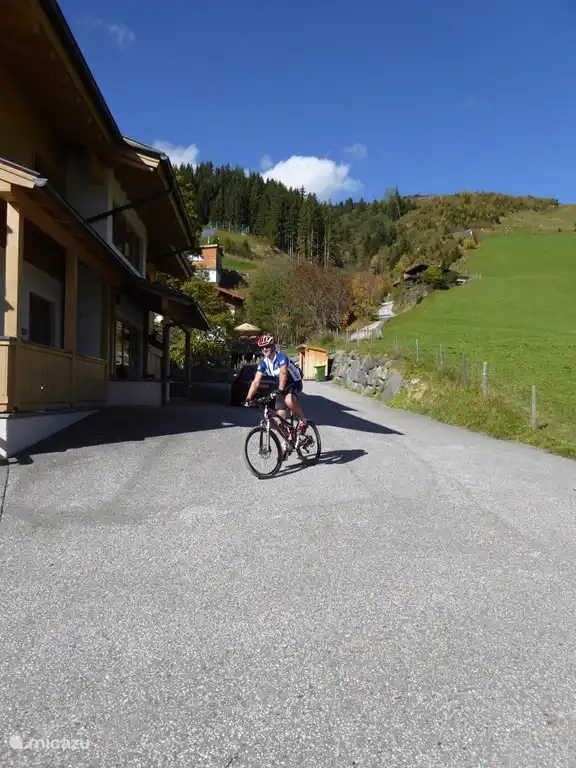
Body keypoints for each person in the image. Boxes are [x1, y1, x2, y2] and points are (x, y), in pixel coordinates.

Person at [244, 334, 308, 451]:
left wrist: (279, 390)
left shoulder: (281, 357)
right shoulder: (264, 362)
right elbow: (256, 381)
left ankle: (303, 421)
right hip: (281, 386)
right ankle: (286, 443)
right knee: (279, 417)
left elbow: (283, 373)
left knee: (289, 401)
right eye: (262, 348)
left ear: (272, 346)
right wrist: (248, 398)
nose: (264, 349)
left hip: (294, 382)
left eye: (267, 346)